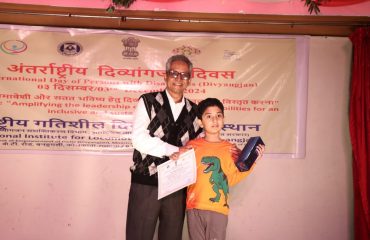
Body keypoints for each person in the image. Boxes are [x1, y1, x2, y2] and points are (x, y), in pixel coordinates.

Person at [126, 54, 203, 240]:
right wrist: (173, 151)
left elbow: (201, 145)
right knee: (139, 235)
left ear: (189, 80)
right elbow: (138, 139)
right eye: (174, 73)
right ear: (165, 75)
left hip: (177, 186)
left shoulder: (195, 111)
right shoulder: (148, 101)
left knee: (171, 236)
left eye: (184, 75)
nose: (179, 78)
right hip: (146, 183)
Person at [170, 98, 264, 240]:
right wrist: (175, 158)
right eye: (209, 116)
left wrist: (253, 162)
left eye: (218, 115)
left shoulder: (230, 149)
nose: (215, 120)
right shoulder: (192, 146)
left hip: (218, 209)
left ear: (223, 119)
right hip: (194, 207)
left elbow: (231, 179)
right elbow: (181, 174)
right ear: (200, 122)